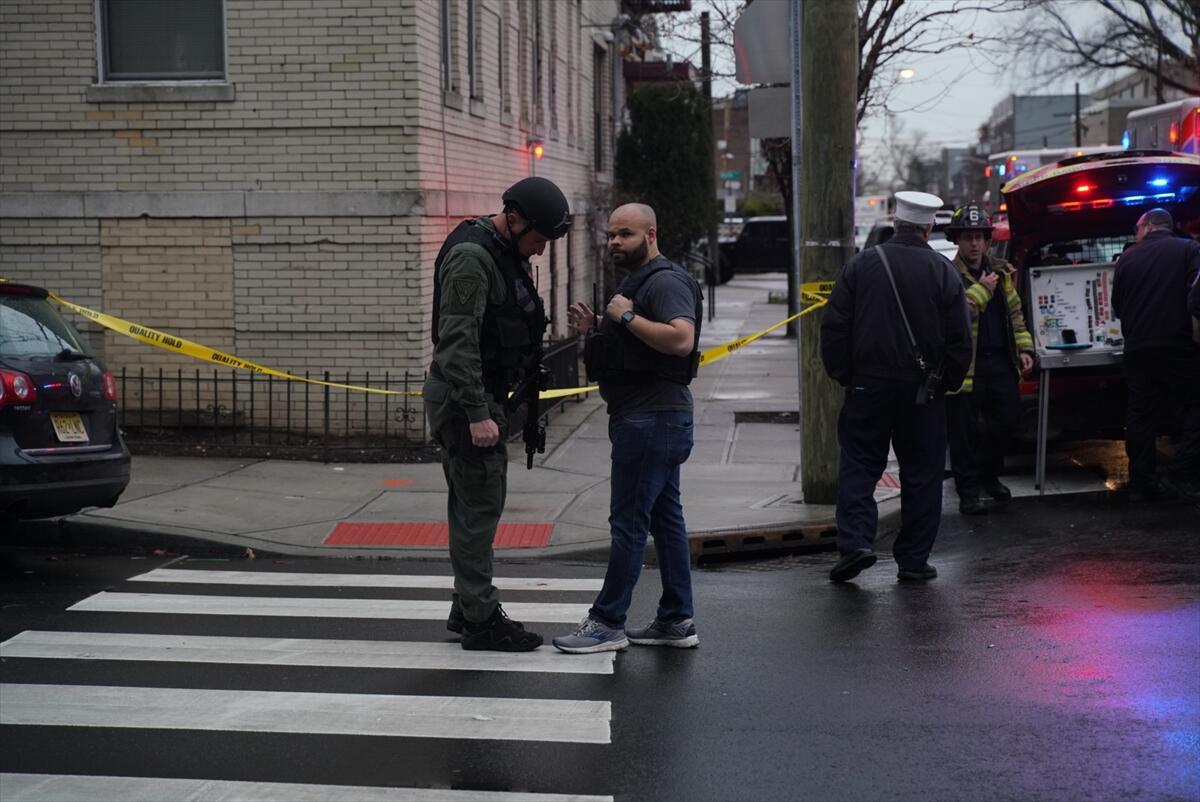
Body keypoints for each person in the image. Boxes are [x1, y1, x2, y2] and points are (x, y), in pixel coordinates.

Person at [424, 176, 570, 651]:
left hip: (481, 396)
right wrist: (476, 413)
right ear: (514, 218)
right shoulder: (473, 257)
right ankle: (482, 620)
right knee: (478, 510)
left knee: (475, 507)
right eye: (539, 239)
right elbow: (457, 343)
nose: (541, 250)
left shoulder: (500, 250)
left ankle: (467, 605)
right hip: (466, 401)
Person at [552, 203, 704, 653]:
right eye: (612, 234)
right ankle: (676, 620)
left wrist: (623, 317)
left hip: (651, 419)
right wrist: (599, 326)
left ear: (650, 235)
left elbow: (681, 339)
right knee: (665, 520)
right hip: (651, 418)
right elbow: (638, 345)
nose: (615, 242)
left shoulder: (666, 281)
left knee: (628, 524)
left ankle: (607, 622)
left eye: (625, 234)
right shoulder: (642, 281)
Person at [820, 191, 972, 583]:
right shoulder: (943, 272)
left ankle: (855, 543)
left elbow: (834, 327)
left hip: (867, 385)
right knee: (922, 472)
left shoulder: (862, 265)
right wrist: (946, 383)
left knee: (860, 463)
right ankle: (914, 559)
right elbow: (960, 338)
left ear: (895, 222)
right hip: (923, 391)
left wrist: (845, 374)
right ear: (928, 227)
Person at [942, 203, 1035, 516]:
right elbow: (951, 320)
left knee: (1006, 422)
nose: (974, 243)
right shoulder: (949, 275)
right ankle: (968, 492)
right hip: (965, 368)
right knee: (963, 434)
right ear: (957, 240)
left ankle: (989, 476)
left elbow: (1015, 314)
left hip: (1000, 364)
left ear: (986, 240)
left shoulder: (1001, 271)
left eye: (979, 237)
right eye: (967, 237)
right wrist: (981, 292)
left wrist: (1024, 349)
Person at [1111, 208, 1200, 502]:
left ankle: (1141, 482)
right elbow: (1195, 297)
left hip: (1137, 348)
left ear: (1148, 226)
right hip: (1178, 346)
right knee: (1195, 403)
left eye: (1136, 229)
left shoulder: (1127, 258)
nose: (1136, 234)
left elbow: (1117, 305)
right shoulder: (1189, 250)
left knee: (1140, 414)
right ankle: (1181, 473)